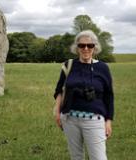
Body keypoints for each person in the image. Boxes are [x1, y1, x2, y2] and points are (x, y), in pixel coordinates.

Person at [54, 30, 114, 160]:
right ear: (77, 47)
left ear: (95, 47)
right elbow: (59, 90)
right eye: (82, 45)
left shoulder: (103, 68)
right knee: (76, 157)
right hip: (70, 119)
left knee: (98, 157)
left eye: (90, 45)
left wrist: (108, 121)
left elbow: (109, 96)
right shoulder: (68, 65)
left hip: (94, 120)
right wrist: (57, 112)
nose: (85, 48)